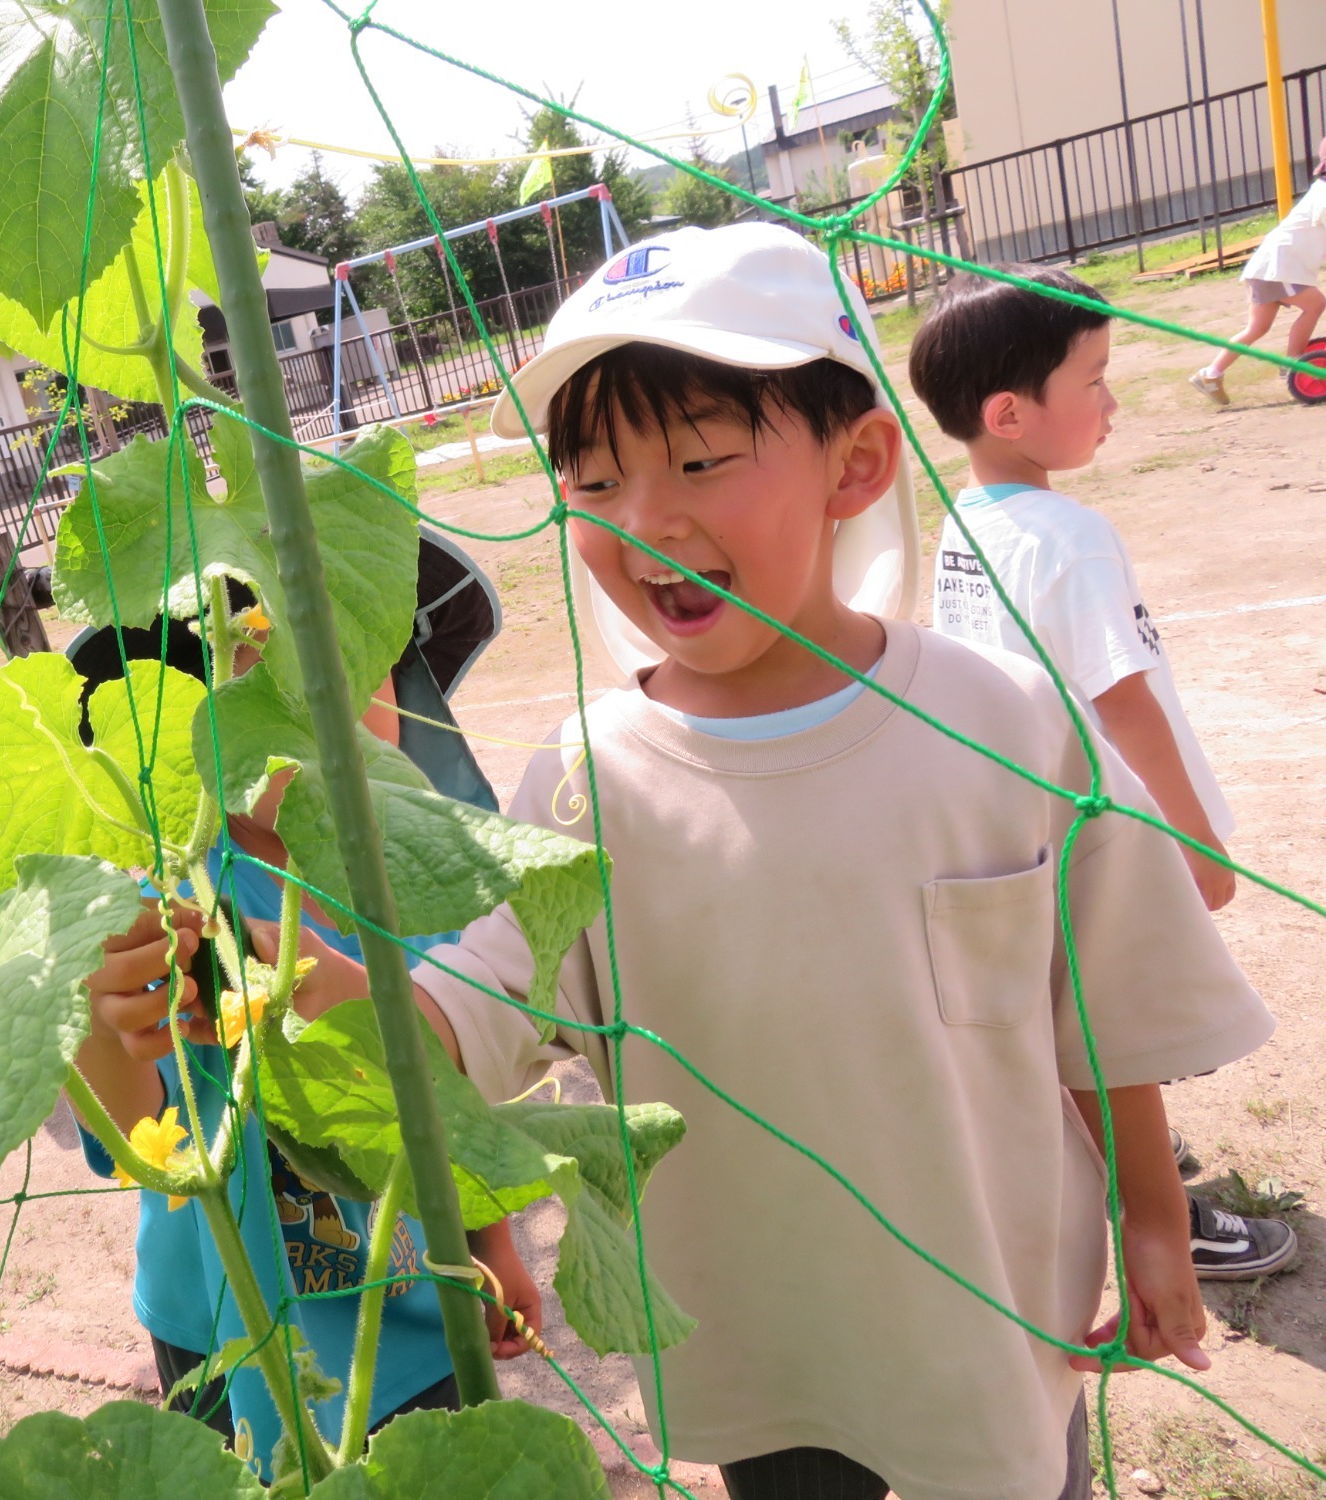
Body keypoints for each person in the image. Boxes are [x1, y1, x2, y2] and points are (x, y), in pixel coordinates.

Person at [266, 224, 1275, 1500]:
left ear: (853, 465)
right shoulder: (588, 776)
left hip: (987, 1318)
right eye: (590, 479)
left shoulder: (1002, 721)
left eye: (699, 458)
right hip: (754, 1342)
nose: (645, 521)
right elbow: (465, 1008)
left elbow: (1105, 1014)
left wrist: (1149, 1219)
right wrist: (258, 974)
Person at [72, 538, 536, 1476]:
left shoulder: (418, 875)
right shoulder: (168, 889)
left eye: (345, 677)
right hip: (212, 1314)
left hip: (412, 1312)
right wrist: (106, 1017)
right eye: (246, 693)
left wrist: (492, 1239)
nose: (310, 726)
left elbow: (462, 1089)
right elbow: (132, 1130)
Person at [910, 265, 1297, 1281]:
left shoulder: (966, 520)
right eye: (1093, 380)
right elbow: (1120, 697)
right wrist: (1192, 841)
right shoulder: (1071, 537)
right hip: (1110, 830)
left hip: (1029, 820)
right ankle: (1158, 1214)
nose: (1112, 401)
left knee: (1078, 1024)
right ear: (1010, 411)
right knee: (1118, 1031)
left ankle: (1114, 1171)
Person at [1188, 139, 1326, 404]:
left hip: (1272, 265)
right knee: (1315, 304)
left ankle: (1210, 373)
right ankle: (1294, 360)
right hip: (1281, 265)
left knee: (1257, 328)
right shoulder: (1322, 195)